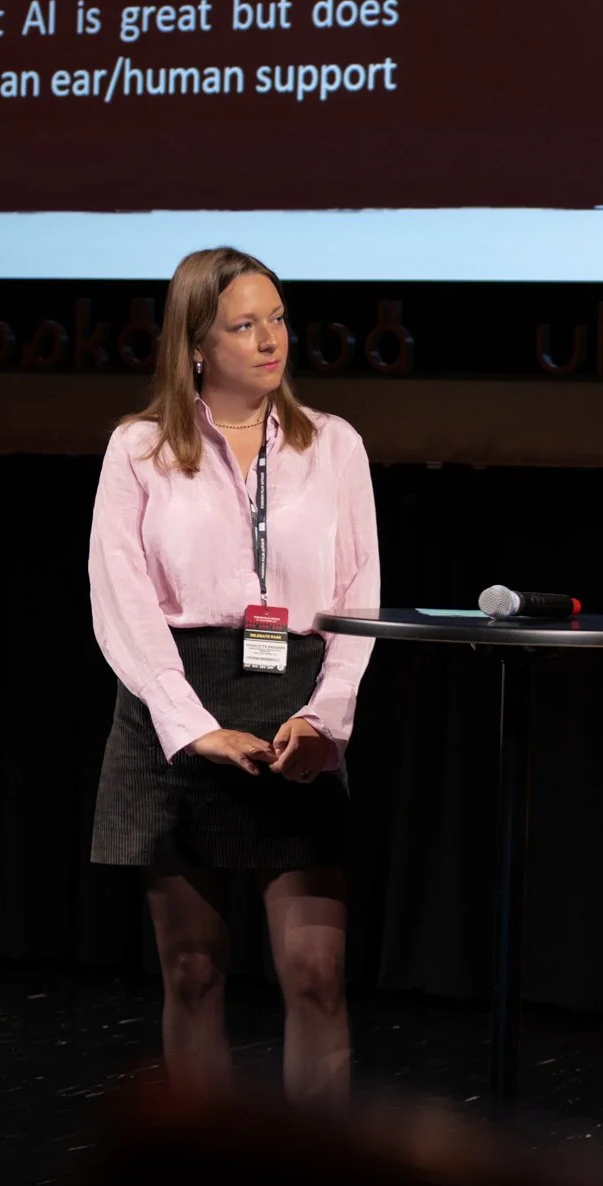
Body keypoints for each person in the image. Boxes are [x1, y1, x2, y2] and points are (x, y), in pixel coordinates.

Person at [89, 247, 380, 1108]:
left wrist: (326, 718)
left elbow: (360, 595)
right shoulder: (139, 448)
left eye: (279, 319)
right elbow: (122, 598)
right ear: (195, 346)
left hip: (297, 703)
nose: (270, 340)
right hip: (173, 706)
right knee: (192, 969)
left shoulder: (332, 444)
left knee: (316, 970)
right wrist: (190, 724)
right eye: (244, 325)